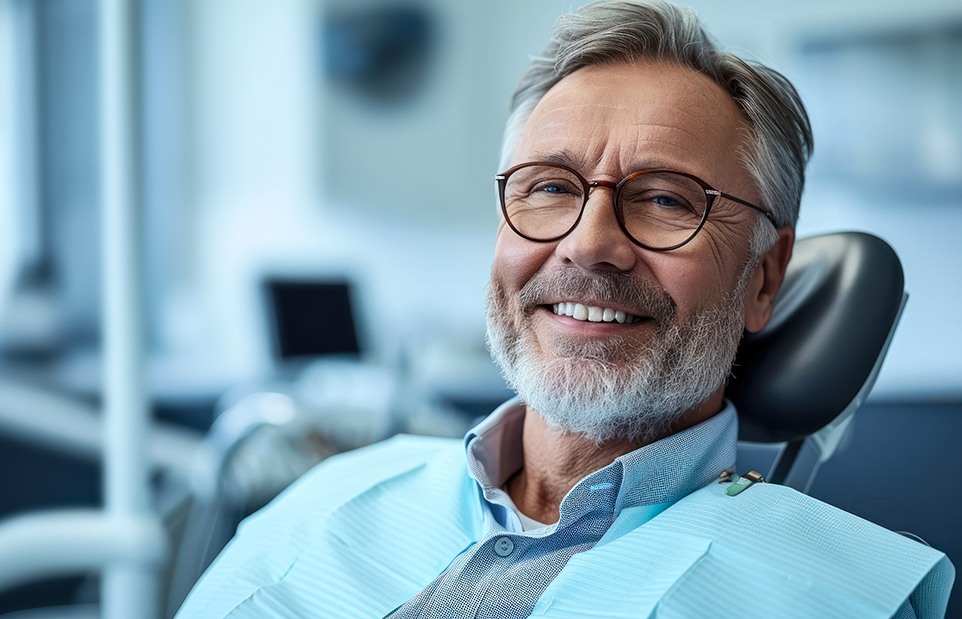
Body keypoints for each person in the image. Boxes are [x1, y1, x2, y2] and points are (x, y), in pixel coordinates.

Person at [177, 2, 954, 617]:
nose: (588, 245)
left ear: (763, 278)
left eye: (662, 199)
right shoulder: (329, 497)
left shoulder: (840, 593)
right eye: (549, 187)